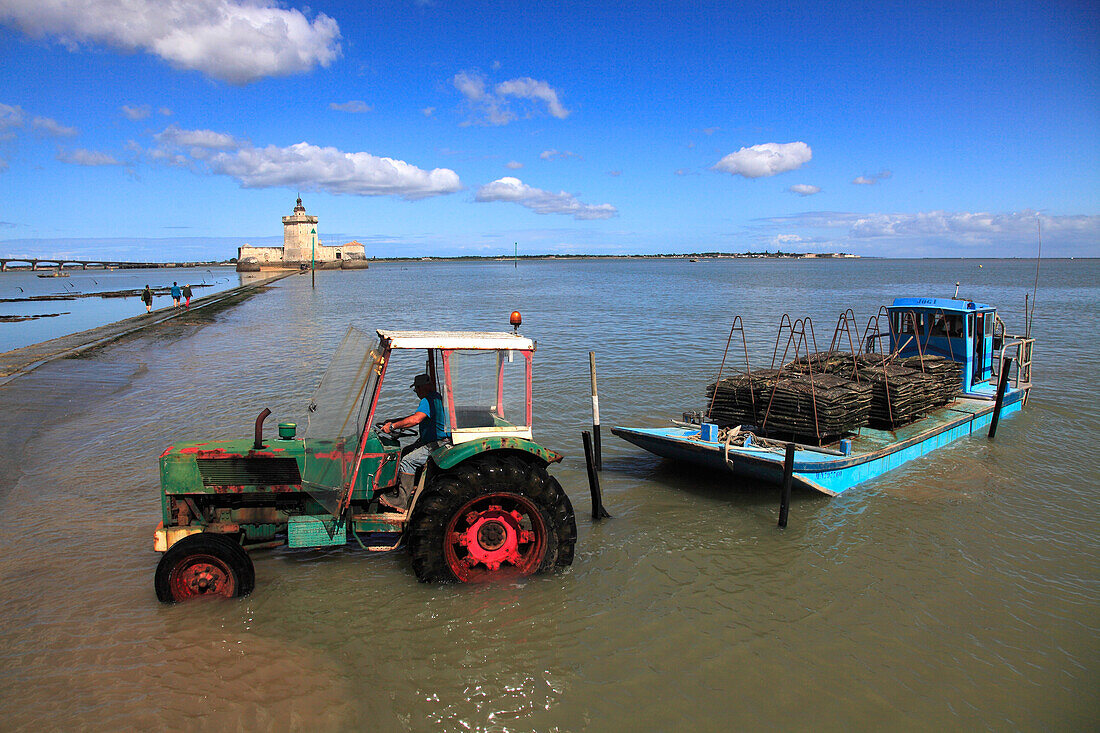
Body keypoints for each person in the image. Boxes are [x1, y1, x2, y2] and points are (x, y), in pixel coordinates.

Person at [378, 373, 450, 511]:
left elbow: (415, 420)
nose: (416, 392)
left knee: (407, 461)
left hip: (437, 444)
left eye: (416, 389)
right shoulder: (437, 398)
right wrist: (395, 421)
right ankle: (410, 487)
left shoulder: (427, 400)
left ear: (421, 387)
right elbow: (414, 417)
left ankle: (401, 501)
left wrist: (392, 426)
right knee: (406, 451)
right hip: (438, 440)